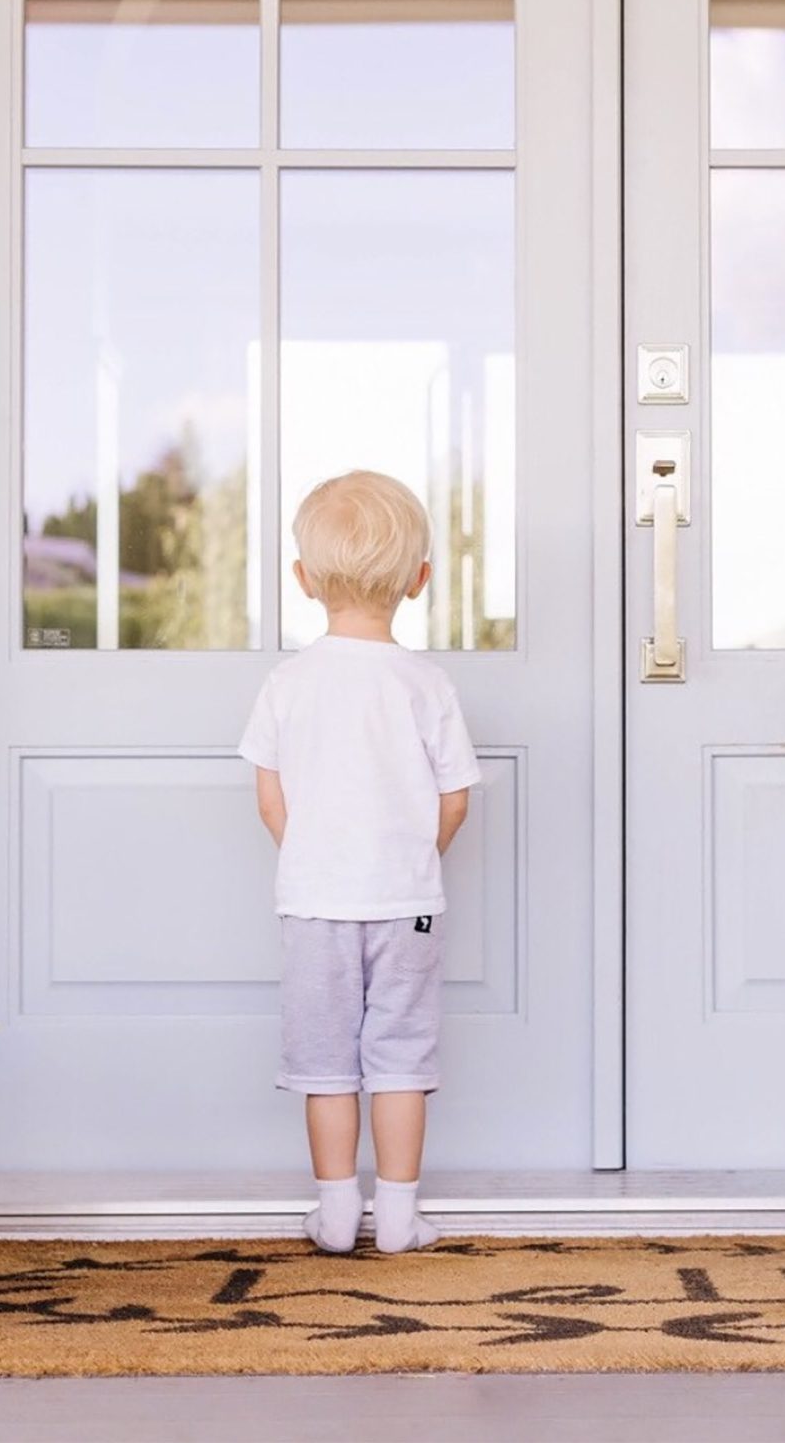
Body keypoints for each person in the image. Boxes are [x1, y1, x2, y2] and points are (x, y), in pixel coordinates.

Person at [239, 471, 479, 1254]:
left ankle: (337, 1209)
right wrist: (410, 860)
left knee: (325, 1062)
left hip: (315, 903)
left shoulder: (288, 682)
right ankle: (401, 1215)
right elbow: (453, 802)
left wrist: (315, 857)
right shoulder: (426, 683)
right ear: (419, 580)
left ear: (302, 580)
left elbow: (271, 798)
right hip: (406, 903)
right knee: (400, 1056)